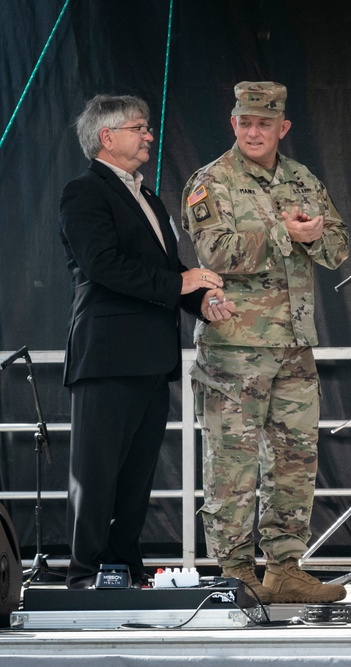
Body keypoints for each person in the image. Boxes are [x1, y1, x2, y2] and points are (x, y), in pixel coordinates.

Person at [181, 81, 350, 603]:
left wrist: (315, 234)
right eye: (246, 122)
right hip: (234, 349)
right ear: (234, 124)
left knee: (294, 463)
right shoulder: (212, 181)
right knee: (232, 466)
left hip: (295, 347)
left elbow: (339, 248)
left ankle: (283, 570)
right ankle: (236, 574)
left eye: (265, 123)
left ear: (284, 128)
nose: (255, 132)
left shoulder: (302, 179)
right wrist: (286, 233)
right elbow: (217, 251)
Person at [60, 94, 235, 589]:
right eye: (139, 128)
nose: (149, 136)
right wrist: (181, 284)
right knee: (97, 473)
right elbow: (102, 266)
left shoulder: (149, 197)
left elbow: (166, 273)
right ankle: (85, 573)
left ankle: (123, 569)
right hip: (107, 354)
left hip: (152, 358)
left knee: (137, 476)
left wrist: (201, 299)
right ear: (106, 137)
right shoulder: (84, 192)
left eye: (148, 128)